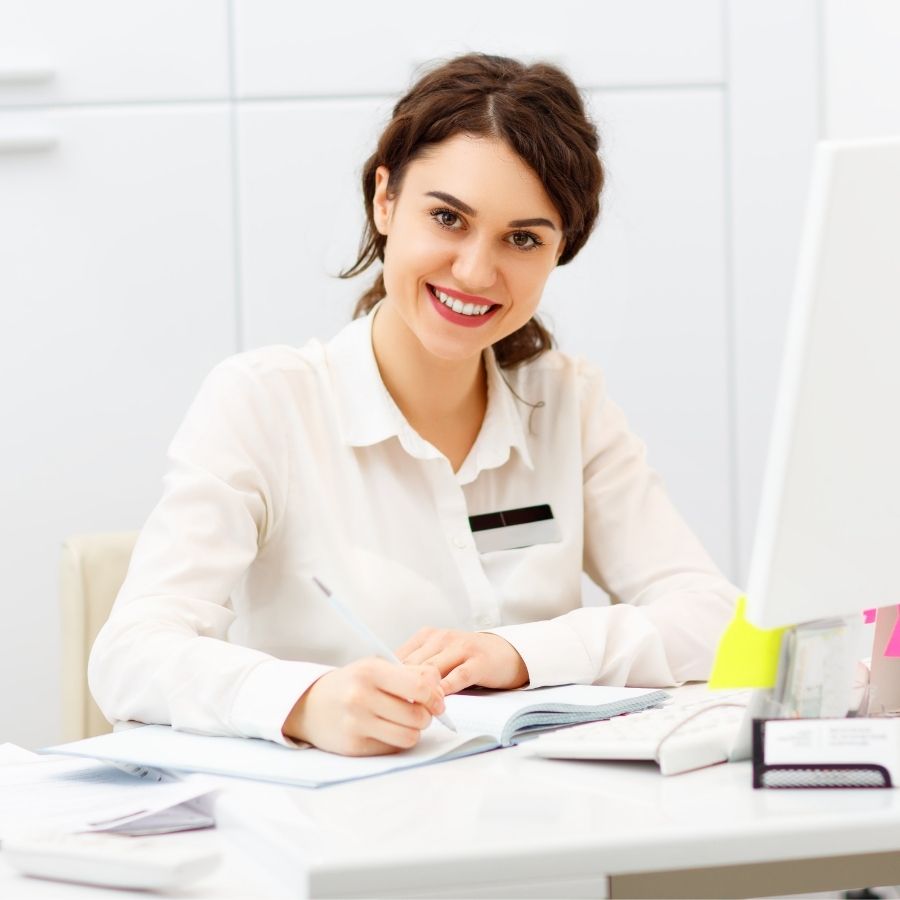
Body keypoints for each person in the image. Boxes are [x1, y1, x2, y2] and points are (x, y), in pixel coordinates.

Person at [89, 53, 740, 758]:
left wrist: (518, 654)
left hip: (537, 820)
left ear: (560, 251)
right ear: (385, 201)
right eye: (448, 218)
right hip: (331, 834)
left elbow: (715, 619)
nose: (475, 271)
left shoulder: (566, 400)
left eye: (523, 238)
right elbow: (130, 653)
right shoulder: (265, 403)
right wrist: (303, 702)